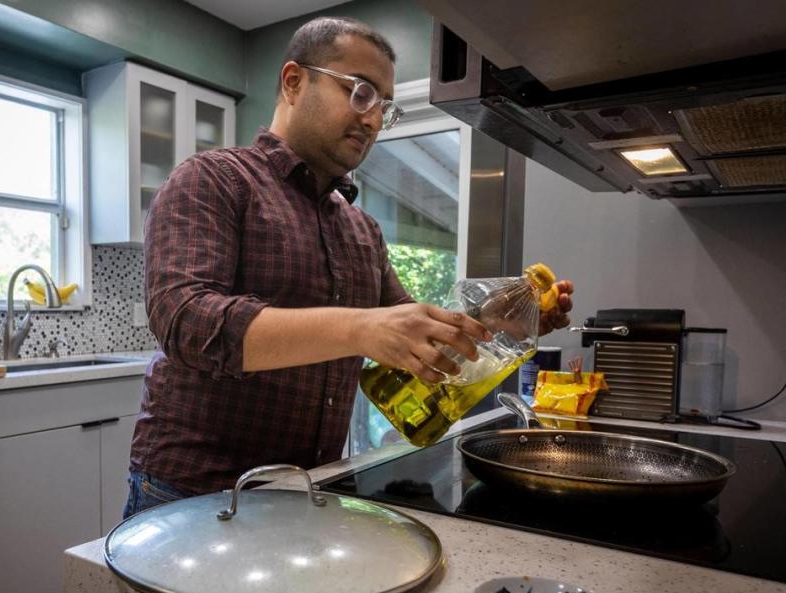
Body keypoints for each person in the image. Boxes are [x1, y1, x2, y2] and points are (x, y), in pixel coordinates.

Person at [123, 17, 573, 518]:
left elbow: (412, 339)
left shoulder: (361, 229)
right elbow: (186, 322)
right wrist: (360, 328)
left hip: (312, 486)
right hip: (196, 494)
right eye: (360, 93)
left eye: (384, 105)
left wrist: (493, 325)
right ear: (294, 81)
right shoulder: (212, 180)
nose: (374, 119)